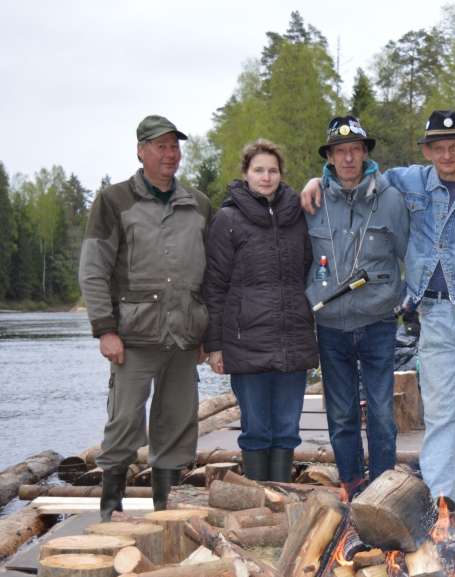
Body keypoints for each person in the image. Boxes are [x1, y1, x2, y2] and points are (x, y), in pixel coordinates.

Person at [303, 110, 455, 532]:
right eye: (438, 147)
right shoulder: (408, 181)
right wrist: (315, 181)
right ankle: (436, 504)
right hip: (431, 312)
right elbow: (355, 178)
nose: (446, 154)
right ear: (427, 150)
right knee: (441, 413)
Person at [78, 115, 212, 521]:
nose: (170, 154)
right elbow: (93, 268)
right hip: (133, 336)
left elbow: (212, 274)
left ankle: (163, 517)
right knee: (122, 424)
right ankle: (109, 512)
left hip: (184, 337)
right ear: (141, 150)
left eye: (174, 146)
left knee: (175, 426)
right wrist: (105, 329)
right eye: (161, 146)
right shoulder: (114, 200)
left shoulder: (199, 204)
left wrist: (208, 332)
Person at [304, 116, 409, 500]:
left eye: (354, 150)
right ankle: (350, 484)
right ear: (329, 158)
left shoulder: (391, 198)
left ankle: (383, 491)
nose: (348, 158)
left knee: (382, 414)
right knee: (342, 415)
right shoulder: (313, 201)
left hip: (379, 322)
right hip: (330, 325)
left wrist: (405, 300)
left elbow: (407, 255)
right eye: (340, 151)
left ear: (365, 153)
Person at [202, 139, 318, 482]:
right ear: (245, 174)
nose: (266, 177)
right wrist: (215, 345)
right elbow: (215, 285)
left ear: (281, 174)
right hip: (246, 341)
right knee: (255, 429)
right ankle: (258, 501)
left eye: (272, 170)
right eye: (259, 170)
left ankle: (280, 496)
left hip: (293, 338)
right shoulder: (228, 219)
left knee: (286, 429)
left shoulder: (298, 215)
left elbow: (311, 268)